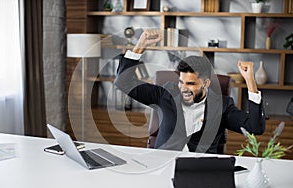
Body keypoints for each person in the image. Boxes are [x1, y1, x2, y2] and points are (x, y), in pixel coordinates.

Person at [114, 29, 265, 153]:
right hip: (163, 166)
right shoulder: (167, 94)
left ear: (206, 83)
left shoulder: (221, 105)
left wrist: (250, 82)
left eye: (191, 83)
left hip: (202, 171)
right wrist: (140, 45)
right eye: (181, 82)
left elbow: (255, 128)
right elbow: (123, 82)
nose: (184, 88)